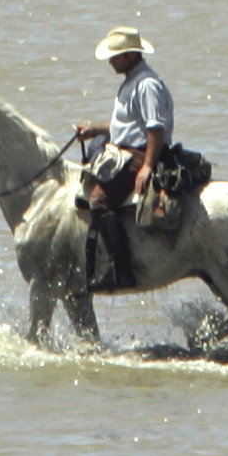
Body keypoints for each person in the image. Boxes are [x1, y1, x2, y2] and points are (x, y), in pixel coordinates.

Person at [74, 26, 175, 292]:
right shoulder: (132, 80)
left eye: (115, 56)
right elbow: (127, 124)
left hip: (142, 152)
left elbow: (156, 129)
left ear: (131, 55)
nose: (110, 61)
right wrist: (95, 130)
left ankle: (123, 270)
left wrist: (147, 167)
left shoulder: (146, 85)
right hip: (132, 148)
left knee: (98, 199)